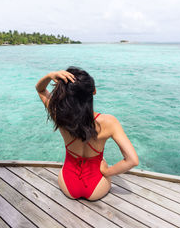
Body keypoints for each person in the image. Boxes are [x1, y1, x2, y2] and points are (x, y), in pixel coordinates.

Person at [35, 67, 139, 200]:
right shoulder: (109, 122)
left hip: (68, 185)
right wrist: (107, 172)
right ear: (94, 91)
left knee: (69, 163)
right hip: (96, 188)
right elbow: (132, 160)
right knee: (103, 161)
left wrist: (50, 75)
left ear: (66, 95)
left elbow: (40, 89)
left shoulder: (59, 115)